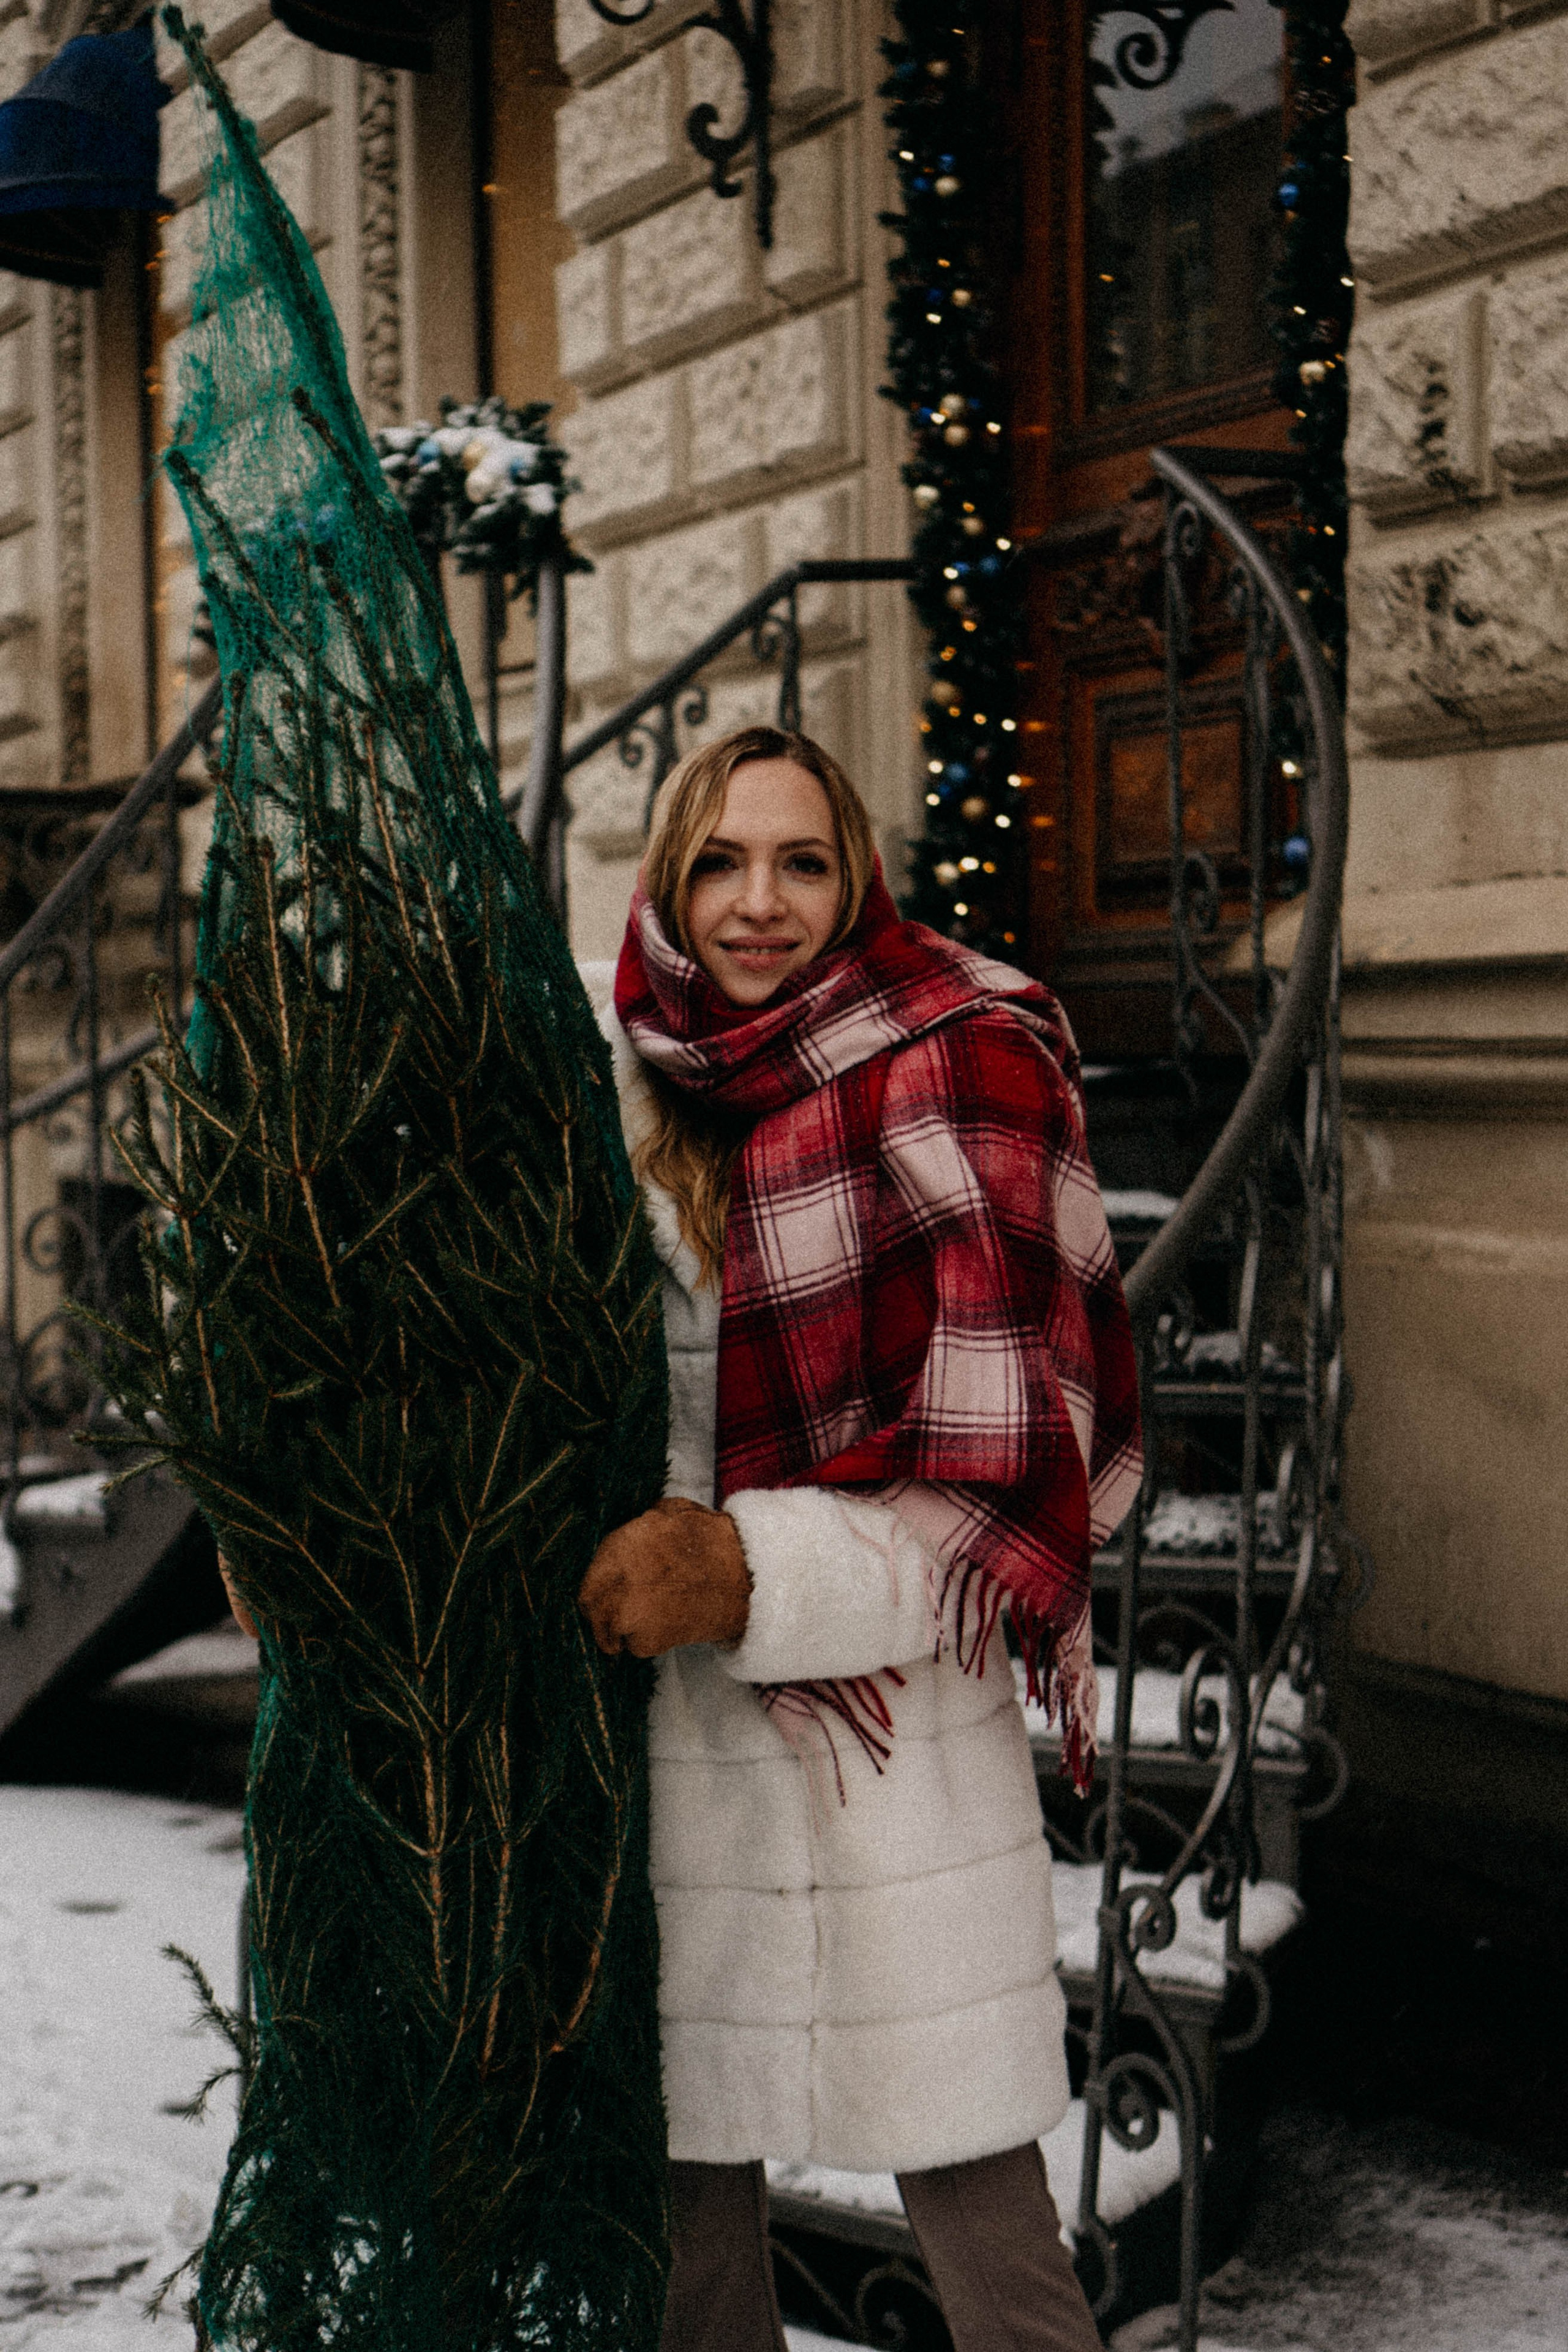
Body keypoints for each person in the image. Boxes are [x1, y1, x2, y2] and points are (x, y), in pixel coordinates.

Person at [576, 725, 1141, 2352]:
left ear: (859, 877)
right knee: (691, 2265)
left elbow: (998, 1492)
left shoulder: (962, 1063)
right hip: (669, 1757)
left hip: (894, 1755)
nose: (762, 903)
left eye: (804, 861)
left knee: (1000, 2266)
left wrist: (751, 1572)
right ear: (670, 884)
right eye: (722, 863)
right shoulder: (619, 1094)